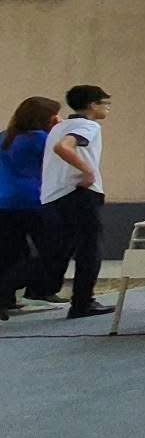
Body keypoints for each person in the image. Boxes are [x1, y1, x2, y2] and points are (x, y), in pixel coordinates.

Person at [39, 85, 115, 318]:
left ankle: (22, 289)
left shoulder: (59, 126)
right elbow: (64, 147)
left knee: (60, 249)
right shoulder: (88, 125)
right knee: (89, 249)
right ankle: (83, 302)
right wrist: (88, 171)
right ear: (93, 105)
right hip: (79, 194)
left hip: (55, 196)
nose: (107, 109)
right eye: (105, 104)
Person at [0, 97, 60, 318]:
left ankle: (6, 300)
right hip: (34, 200)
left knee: (10, 252)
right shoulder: (41, 139)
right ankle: (23, 288)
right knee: (52, 249)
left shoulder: (5, 137)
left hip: (4, 201)